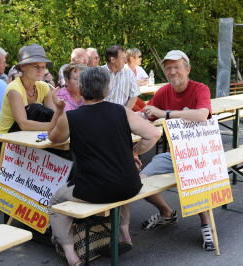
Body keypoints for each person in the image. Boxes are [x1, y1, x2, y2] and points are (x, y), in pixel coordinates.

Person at [48, 67, 161, 266]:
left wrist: (58, 110)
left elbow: (53, 138)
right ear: (107, 91)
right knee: (120, 185)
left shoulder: (71, 118)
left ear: (81, 90)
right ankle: (125, 234)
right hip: (130, 185)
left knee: (55, 202)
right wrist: (134, 152)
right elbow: (153, 134)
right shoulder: (122, 111)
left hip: (93, 190)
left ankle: (71, 254)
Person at [138, 50, 215, 251]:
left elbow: (202, 114)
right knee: (139, 181)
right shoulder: (164, 92)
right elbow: (145, 115)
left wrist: (166, 114)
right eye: (168, 68)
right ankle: (166, 213)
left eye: (176, 67)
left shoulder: (200, 89)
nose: (172, 72)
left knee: (194, 181)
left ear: (187, 69)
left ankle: (206, 225)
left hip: (198, 154)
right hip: (173, 154)